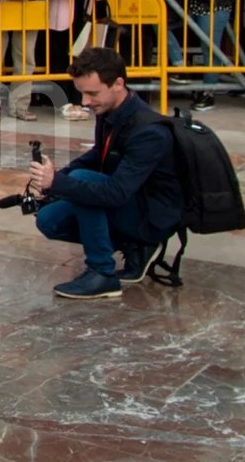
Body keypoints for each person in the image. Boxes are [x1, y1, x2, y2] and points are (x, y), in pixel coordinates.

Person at [27, 47, 183, 299]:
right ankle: (130, 244)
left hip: (152, 216)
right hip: (130, 201)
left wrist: (60, 182)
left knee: (83, 183)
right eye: (82, 93)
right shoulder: (111, 110)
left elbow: (116, 193)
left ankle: (103, 272)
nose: (86, 102)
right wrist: (56, 176)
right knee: (48, 220)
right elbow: (98, 156)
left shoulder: (148, 131)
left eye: (92, 93)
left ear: (118, 83)